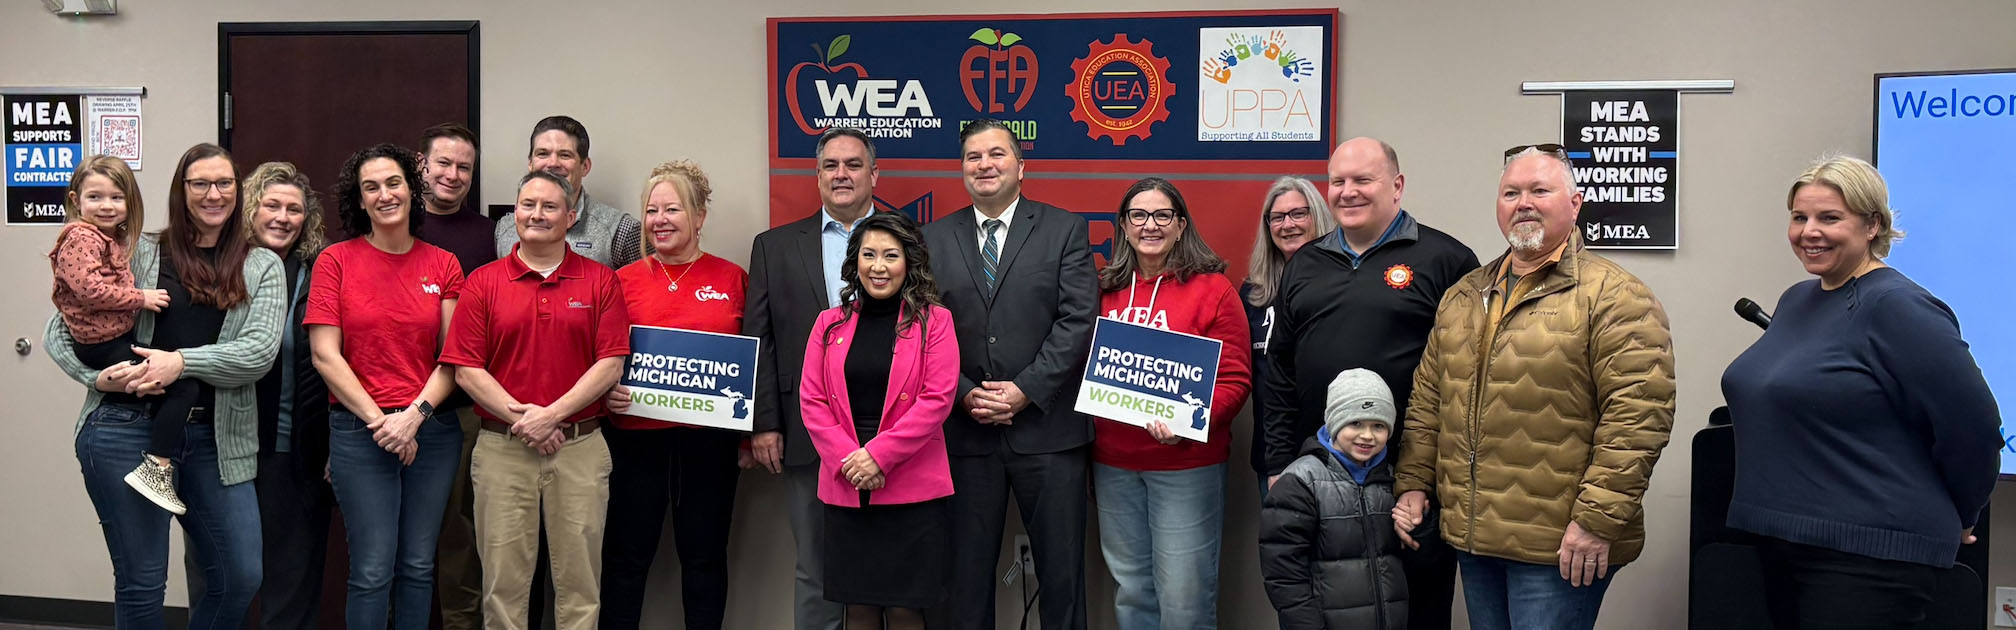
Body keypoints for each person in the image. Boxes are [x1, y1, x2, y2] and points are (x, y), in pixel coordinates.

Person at [1392, 145, 1674, 630]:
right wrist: (1414, 483)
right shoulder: (1463, 296)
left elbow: (1637, 417)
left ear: (1575, 202)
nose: (1523, 202)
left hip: (1560, 545)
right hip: (1475, 536)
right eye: (1511, 192)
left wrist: (1597, 522)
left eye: (1540, 190)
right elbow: (1428, 402)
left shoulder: (1615, 296)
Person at [1721, 155, 2000, 630]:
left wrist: (1966, 512)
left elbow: (1972, 426)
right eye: (1799, 217)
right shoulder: (1797, 300)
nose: (1810, 231)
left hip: (1869, 557)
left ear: (1873, 225)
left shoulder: (1896, 306)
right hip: (1783, 539)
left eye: (1830, 218)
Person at [45, 143, 283, 628]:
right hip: (125, 429)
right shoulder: (142, 250)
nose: (213, 194)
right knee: (142, 581)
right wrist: (96, 377)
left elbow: (258, 353)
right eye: (200, 183)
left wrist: (181, 363)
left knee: (240, 574)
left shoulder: (262, 266)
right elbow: (59, 327)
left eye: (224, 183)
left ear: (239, 192)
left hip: (217, 439)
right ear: (182, 191)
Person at [1261, 138, 1476, 629]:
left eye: (1363, 180)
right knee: (1332, 605)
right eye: (1338, 181)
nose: (1347, 192)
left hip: (1412, 479)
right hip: (1324, 477)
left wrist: (1427, 475)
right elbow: (1278, 371)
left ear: (1397, 187)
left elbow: (1470, 375)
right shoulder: (1304, 263)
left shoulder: (1447, 259)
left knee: (1418, 606)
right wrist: (1279, 463)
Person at [921, 119, 1097, 630]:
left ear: (1021, 167)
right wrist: (964, 394)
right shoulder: (931, 238)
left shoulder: (1065, 229)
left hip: (1048, 433)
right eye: (973, 157)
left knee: (1062, 578)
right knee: (963, 579)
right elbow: (920, 328)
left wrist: (1025, 390)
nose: (985, 165)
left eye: (996, 154)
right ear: (962, 171)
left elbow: (1077, 321)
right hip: (964, 433)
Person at [443, 170, 630, 630]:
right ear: (515, 213)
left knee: (581, 591)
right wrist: (528, 421)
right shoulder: (484, 283)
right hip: (502, 451)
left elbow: (610, 364)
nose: (537, 214)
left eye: (549, 207)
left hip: (580, 450)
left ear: (570, 216)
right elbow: (465, 368)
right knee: (503, 592)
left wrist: (552, 416)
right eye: (528, 205)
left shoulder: (601, 282)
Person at [306, 143, 468, 630]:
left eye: (393, 183)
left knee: (418, 567)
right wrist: (383, 423)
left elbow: (452, 357)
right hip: (361, 432)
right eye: (370, 187)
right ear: (358, 201)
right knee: (372, 571)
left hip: (432, 431)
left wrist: (413, 417)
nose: (384, 195)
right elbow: (324, 355)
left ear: (411, 189)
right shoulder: (335, 261)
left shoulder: (443, 264)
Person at [1090, 177, 1252, 630]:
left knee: (1185, 597)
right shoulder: (1103, 290)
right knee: (1132, 590)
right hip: (1113, 465)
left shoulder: (1213, 290)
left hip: (1186, 466)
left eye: (1163, 215)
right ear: (1123, 226)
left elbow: (1235, 379)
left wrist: (1188, 421)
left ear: (1181, 225)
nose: (1150, 226)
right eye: (1138, 216)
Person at [597, 161, 749, 630]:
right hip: (634, 441)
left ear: (700, 216)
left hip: (709, 443)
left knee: (704, 559)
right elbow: (598, 357)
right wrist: (606, 395)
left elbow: (754, 360)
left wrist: (748, 434)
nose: (659, 219)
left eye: (673, 209)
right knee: (624, 560)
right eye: (651, 210)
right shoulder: (620, 281)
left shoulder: (732, 278)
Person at [745, 126, 879, 630]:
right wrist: (764, 423)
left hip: (888, 429)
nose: (841, 174)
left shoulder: (908, 241)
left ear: (873, 173)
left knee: (887, 568)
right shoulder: (774, 247)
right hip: (805, 432)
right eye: (831, 165)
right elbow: (762, 339)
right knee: (815, 568)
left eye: (853, 164)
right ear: (817, 175)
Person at [800, 211, 959, 630]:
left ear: (909, 262)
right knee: (859, 608)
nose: (878, 266)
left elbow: (937, 400)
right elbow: (812, 401)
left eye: (891, 255)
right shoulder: (828, 323)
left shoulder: (935, 322)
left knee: (906, 607)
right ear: (855, 263)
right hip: (846, 479)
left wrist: (879, 456)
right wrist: (851, 460)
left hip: (910, 485)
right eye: (868, 254)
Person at [46, 155, 185, 514]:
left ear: (130, 203)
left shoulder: (109, 239)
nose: (106, 206)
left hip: (113, 341)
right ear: (76, 200)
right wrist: (142, 298)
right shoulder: (80, 238)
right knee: (184, 387)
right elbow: (89, 289)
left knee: (167, 381)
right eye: (95, 197)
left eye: (116, 197)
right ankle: (157, 468)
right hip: (100, 346)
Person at [240, 161, 335, 630]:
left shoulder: (318, 274)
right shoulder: (219, 267)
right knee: (227, 577)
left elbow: (340, 362)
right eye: (271, 204)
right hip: (225, 453)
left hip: (294, 453)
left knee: (292, 582)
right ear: (249, 209)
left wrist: (335, 445)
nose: (282, 216)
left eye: (294, 209)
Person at [416, 121, 499, 630]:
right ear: (421, 164)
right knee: (389, 540)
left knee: (459, 536)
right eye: (443, 163)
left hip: (461, 412)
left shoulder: (487, 237)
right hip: (384, 409)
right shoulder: (392, 224)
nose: (452, 174)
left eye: (463, 166)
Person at [1260, 369, 1419, 630]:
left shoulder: (1393, 481)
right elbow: (1283, 574)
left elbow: (1413, 559)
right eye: (1355, 423)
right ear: (1334, 422)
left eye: (1378, 425)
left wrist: (1420, 529)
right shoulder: (1300, 482)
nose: (1367, 435)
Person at [1240, 176, 1336, 497]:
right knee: (1281, 545)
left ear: (1318, 216)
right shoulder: (1253, 294)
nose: (1287, 225)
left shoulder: (1344, 284)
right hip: (1274, 454)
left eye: (1299, 214)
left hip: (1338, 450)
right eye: (1277, 217)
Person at [492, 115, 641, 269]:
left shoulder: (621, 229)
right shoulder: (504, 229)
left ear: (585, 166)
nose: (552, 163)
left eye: (565, 155)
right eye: (543, 153)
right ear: (530, 163)